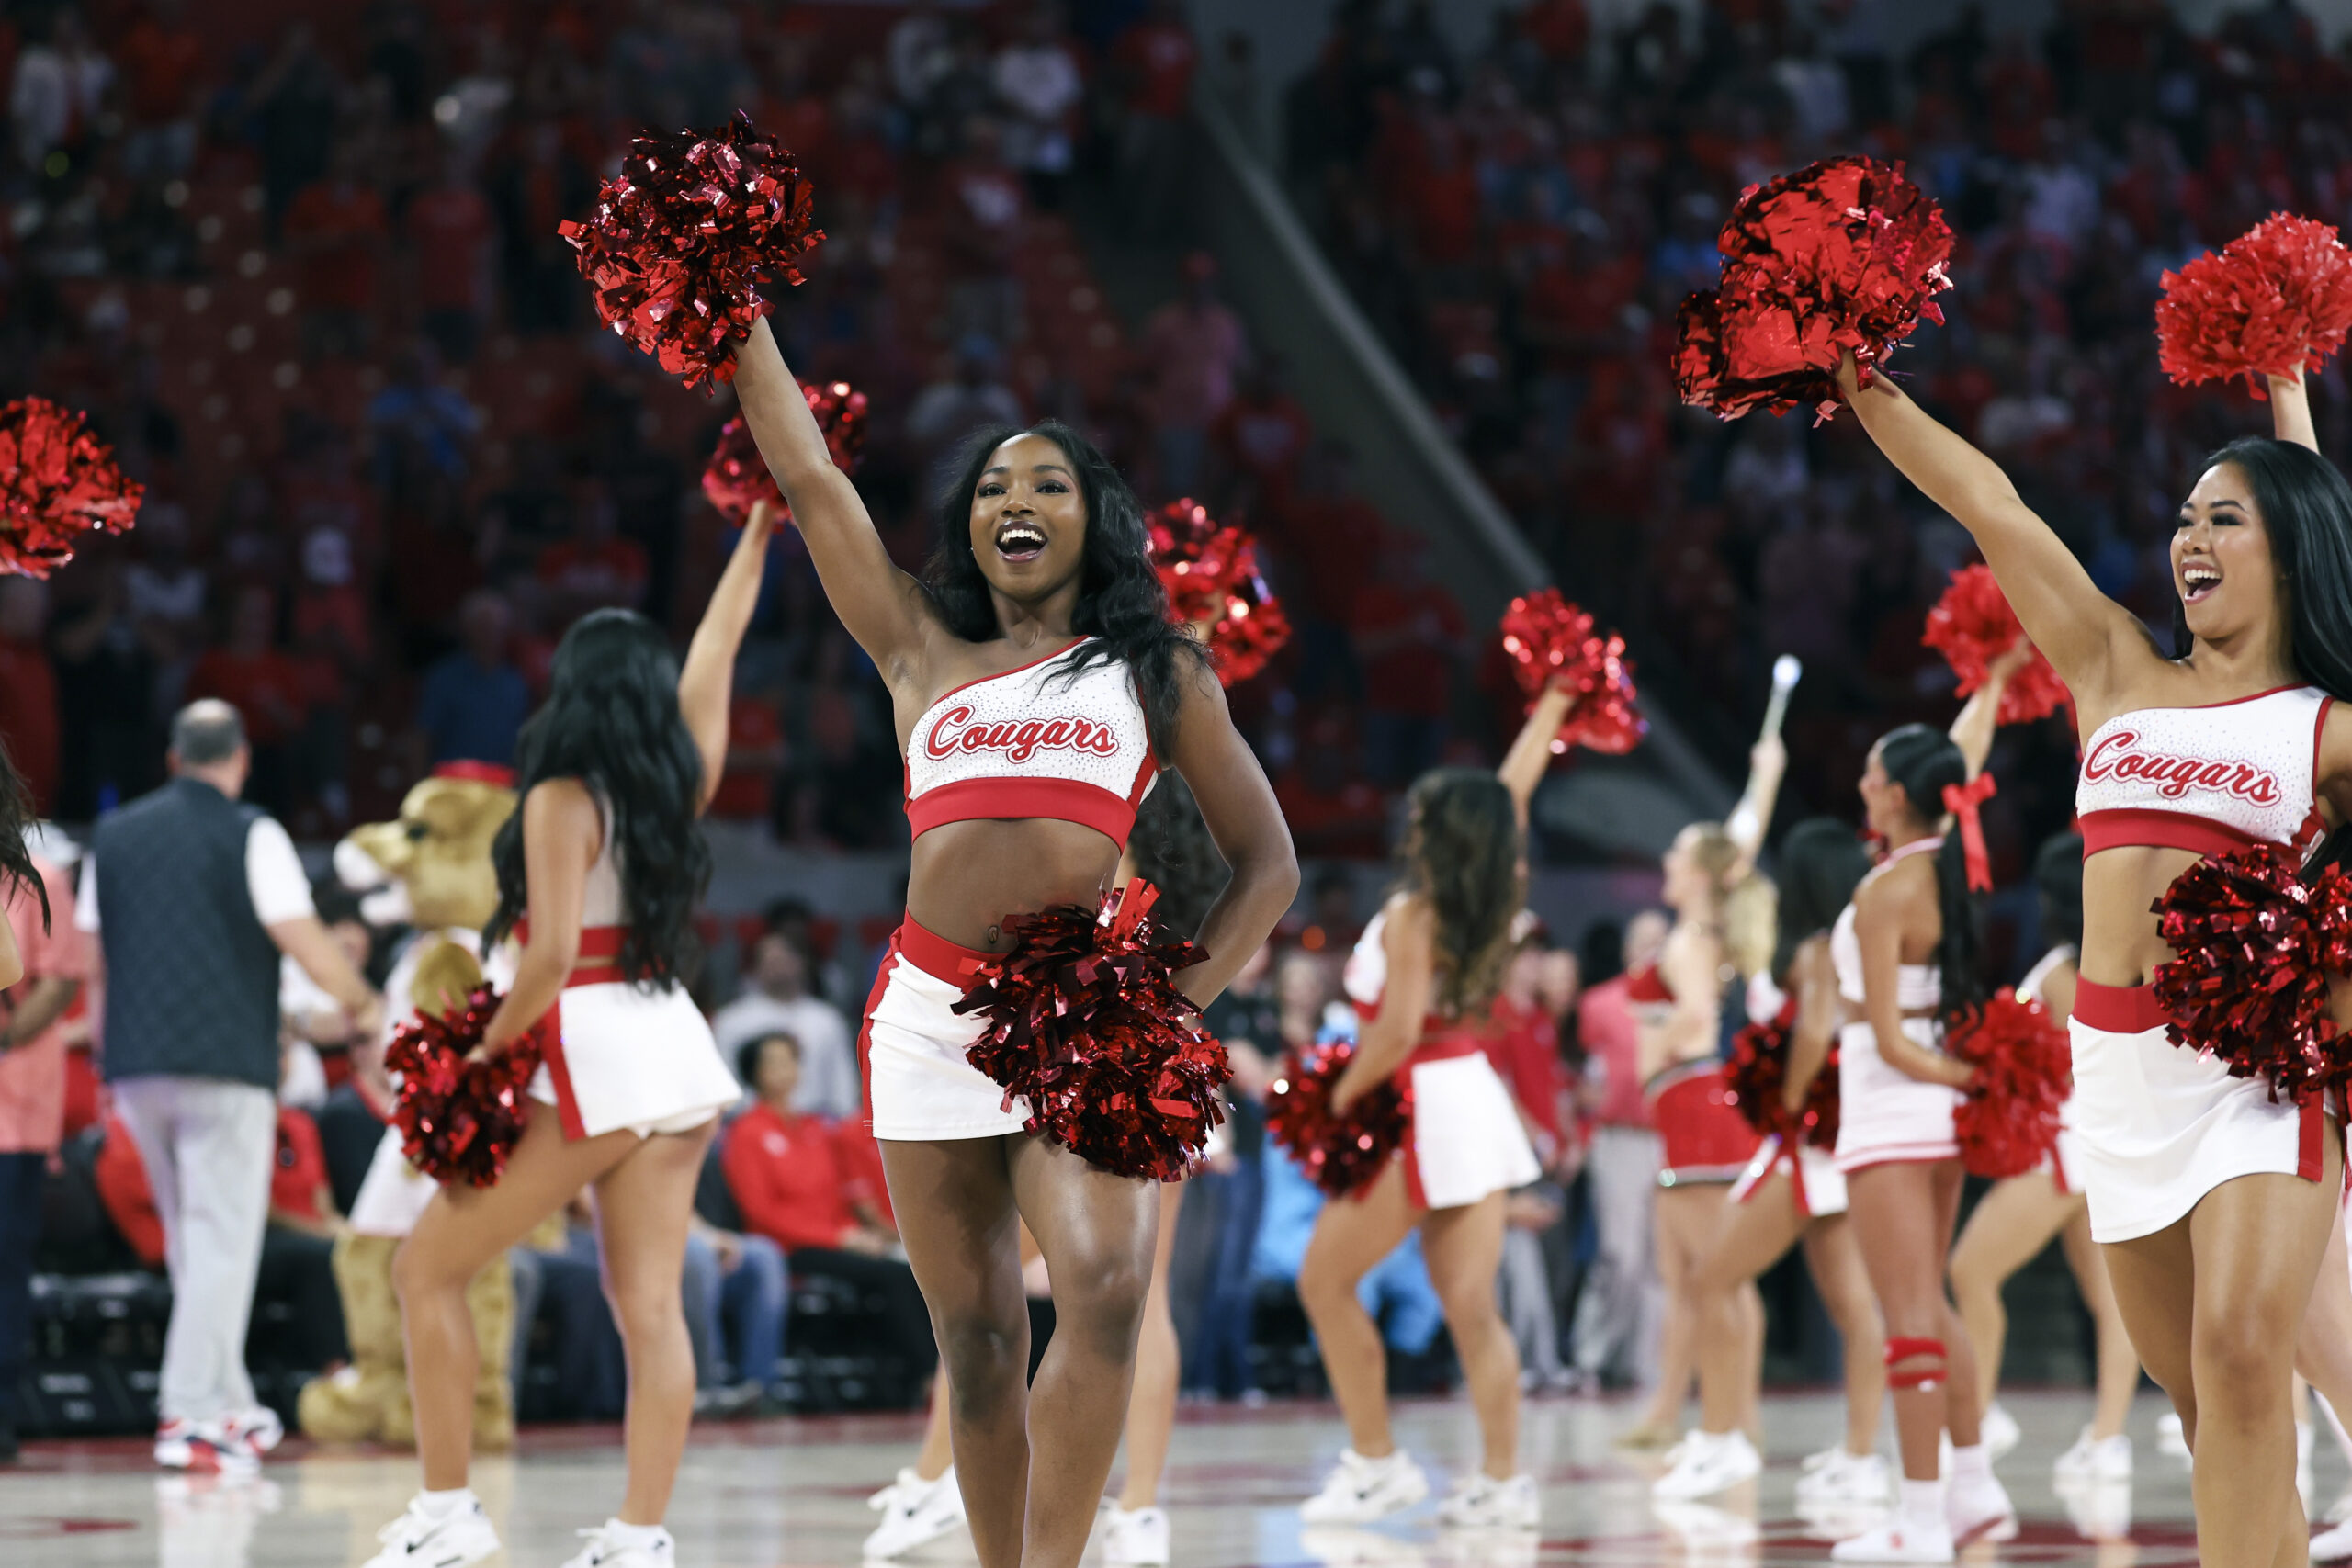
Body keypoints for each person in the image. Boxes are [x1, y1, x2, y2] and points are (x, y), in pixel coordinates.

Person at [730, 313, 1296, 1568]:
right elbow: (812, 476)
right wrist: (741, 312)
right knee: (979, 1343)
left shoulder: (1153, 669)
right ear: (971, 524)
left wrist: (1174, 1007)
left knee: (1100, 1287)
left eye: (1049, 482)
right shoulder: (917, 645)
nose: (1017, 499)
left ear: (1094, 518)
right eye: (993, 486)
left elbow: (1271, 866)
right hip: (927, 1019)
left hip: (1082, 1023)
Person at [1838, 347, 2352, 1566]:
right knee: (2207, 1412)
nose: (2193, 538)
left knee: (2240, 1356)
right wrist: (1857, 374)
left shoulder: (2325, 725)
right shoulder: (2115, 669)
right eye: (2184, 518)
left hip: (2256, 1076)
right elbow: (1989, 502)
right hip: (2113, 1084)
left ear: (2290, 545)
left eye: (2228, 517)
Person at [363, 502, 774, 1568]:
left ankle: (448, 1512)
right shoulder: (675, 782)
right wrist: (760, 539)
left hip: (590, 1052)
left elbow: (545, 963)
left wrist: (473, 1054)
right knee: (648, 1305)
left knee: (424, 1271)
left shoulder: (556, 794)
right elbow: (717, 650)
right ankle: (641, 1535)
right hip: (675, 1052)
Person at [1292, 681, 1577, 1530]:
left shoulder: (1418, 910)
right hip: (1468, 1105)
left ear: (1439, 834)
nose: (1407, 825)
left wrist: (1339, 1093)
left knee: (1324, 1281)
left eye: (1420, 817)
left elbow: (1398, 1030)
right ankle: (1502, 1481)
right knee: (1473, 1307)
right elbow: (1508, 798)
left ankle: (1378, 1462)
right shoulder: (1482, 903)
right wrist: (1555, 705)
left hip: (1415, 1101)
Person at [78, 700, 383, 1475]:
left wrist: (111, 1055)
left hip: (138, 1067)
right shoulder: (254, 830)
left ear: (174, 758)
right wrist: (362, 999)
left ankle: (228, 1398)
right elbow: (298, 932)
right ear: (240, 759)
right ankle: (188, 1411)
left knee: (193, 1240)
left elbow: (93, 957)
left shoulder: (111, 836)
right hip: (224, 1063)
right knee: (222, 1237)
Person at [1826, 720, 2015, 1559]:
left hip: (1891, 1106)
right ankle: (1973, 1489)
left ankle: (1921, 1518)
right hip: (1930, 1123)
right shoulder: (1949, 871)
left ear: (1895, 793)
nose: (1862, 782)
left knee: (1905, 1317)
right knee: (1931, 1302)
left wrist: (1974, 1080)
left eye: (1871, 773)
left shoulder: (1883, 892)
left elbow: (1896, 1043)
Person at [1947, 830, 2143, 1487]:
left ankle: (1980, 1416)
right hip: (2084, 1146)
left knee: (1970, 1269)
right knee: (2106, 1298)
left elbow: (2059, 1064)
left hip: (2061, 1148)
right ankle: (2108, 1438)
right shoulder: (2088, 962)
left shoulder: (2066, 972)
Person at [1615, 731, 1788, 1450]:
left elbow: (1690, 1018)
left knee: (1718, 1277)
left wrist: (1655, 1045)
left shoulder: (1689, 942)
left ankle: (1731, 1425)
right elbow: (1739, 843)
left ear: (1697, 872)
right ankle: (1671, 1411)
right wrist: (1763, 778)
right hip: (1697, 1110)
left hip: (1694, 1107)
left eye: (1678, 854)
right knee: (1692, 1276)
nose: (1667, 861)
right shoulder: (1708, 921)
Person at [721, 1032, 930, 1384]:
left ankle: (908, 1375)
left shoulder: (816, 1128)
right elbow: (761, 1212)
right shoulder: (747, 1133)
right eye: (774, 1062)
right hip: (790, 1248)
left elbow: (843, 1193)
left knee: (918, 1268)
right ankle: (927, 1377)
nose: (786, 1070)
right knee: (895, 1275)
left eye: (791, 1060)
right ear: (753, 1072)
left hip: (840, 1239)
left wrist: (866, 1232)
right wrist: (839, 1237)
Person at [1567, 908, 1668, 1388]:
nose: (1652, 951)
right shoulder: (1600, 1004)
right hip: (1619, 1138)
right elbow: (1587, 1078)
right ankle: (1592, 1354)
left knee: (1658, 1262)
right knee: (1619, 1254)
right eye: (1643, 941)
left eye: (1659, 941)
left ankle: (1646, 1364)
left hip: (1666, 1139)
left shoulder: (1679, 1003)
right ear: (1628, 949)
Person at [0, 827, 76, 1462]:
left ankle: (1, 1414)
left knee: (6, 1265)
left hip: (14, 1109)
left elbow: (58, 981)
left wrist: (4, 1037)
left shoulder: (38, 878)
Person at [712, 925, 858, 1120]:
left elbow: (842, 1081)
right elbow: (723, 1085)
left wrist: (843, 1121)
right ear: (755, 967)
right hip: (751, 1122)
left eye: (784, 959)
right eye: (770, 961)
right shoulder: (731, 1020)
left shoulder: (827, 1019)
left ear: (802, 962)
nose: (778, 968)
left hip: (817, 1123)